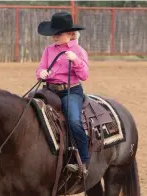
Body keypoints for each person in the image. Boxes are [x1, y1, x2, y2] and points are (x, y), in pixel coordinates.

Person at [36, 12, 90, 172]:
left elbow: (84, 75)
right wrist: (41, 73)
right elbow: (40, 67)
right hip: (49, 90)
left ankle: (84, 159)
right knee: (28, 109)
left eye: (58, 34)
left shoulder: (78, 51)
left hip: (70, 92)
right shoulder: (48, 50)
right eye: (54, 34)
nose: (54, 37)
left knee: (73, 121)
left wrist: (75, 60)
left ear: (70, 34)